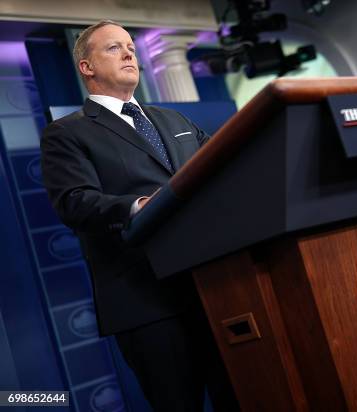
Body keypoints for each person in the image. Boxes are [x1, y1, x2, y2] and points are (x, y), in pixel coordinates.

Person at [40, 20, 238, 411]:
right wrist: (137, 206)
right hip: (146, 302)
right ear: (87, 67)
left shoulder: (174, 121)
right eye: (114, 48)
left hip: (215, 288)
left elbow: (222, 167)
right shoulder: (67, 133)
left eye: (131, 46)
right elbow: (74, 201)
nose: (130, 53)